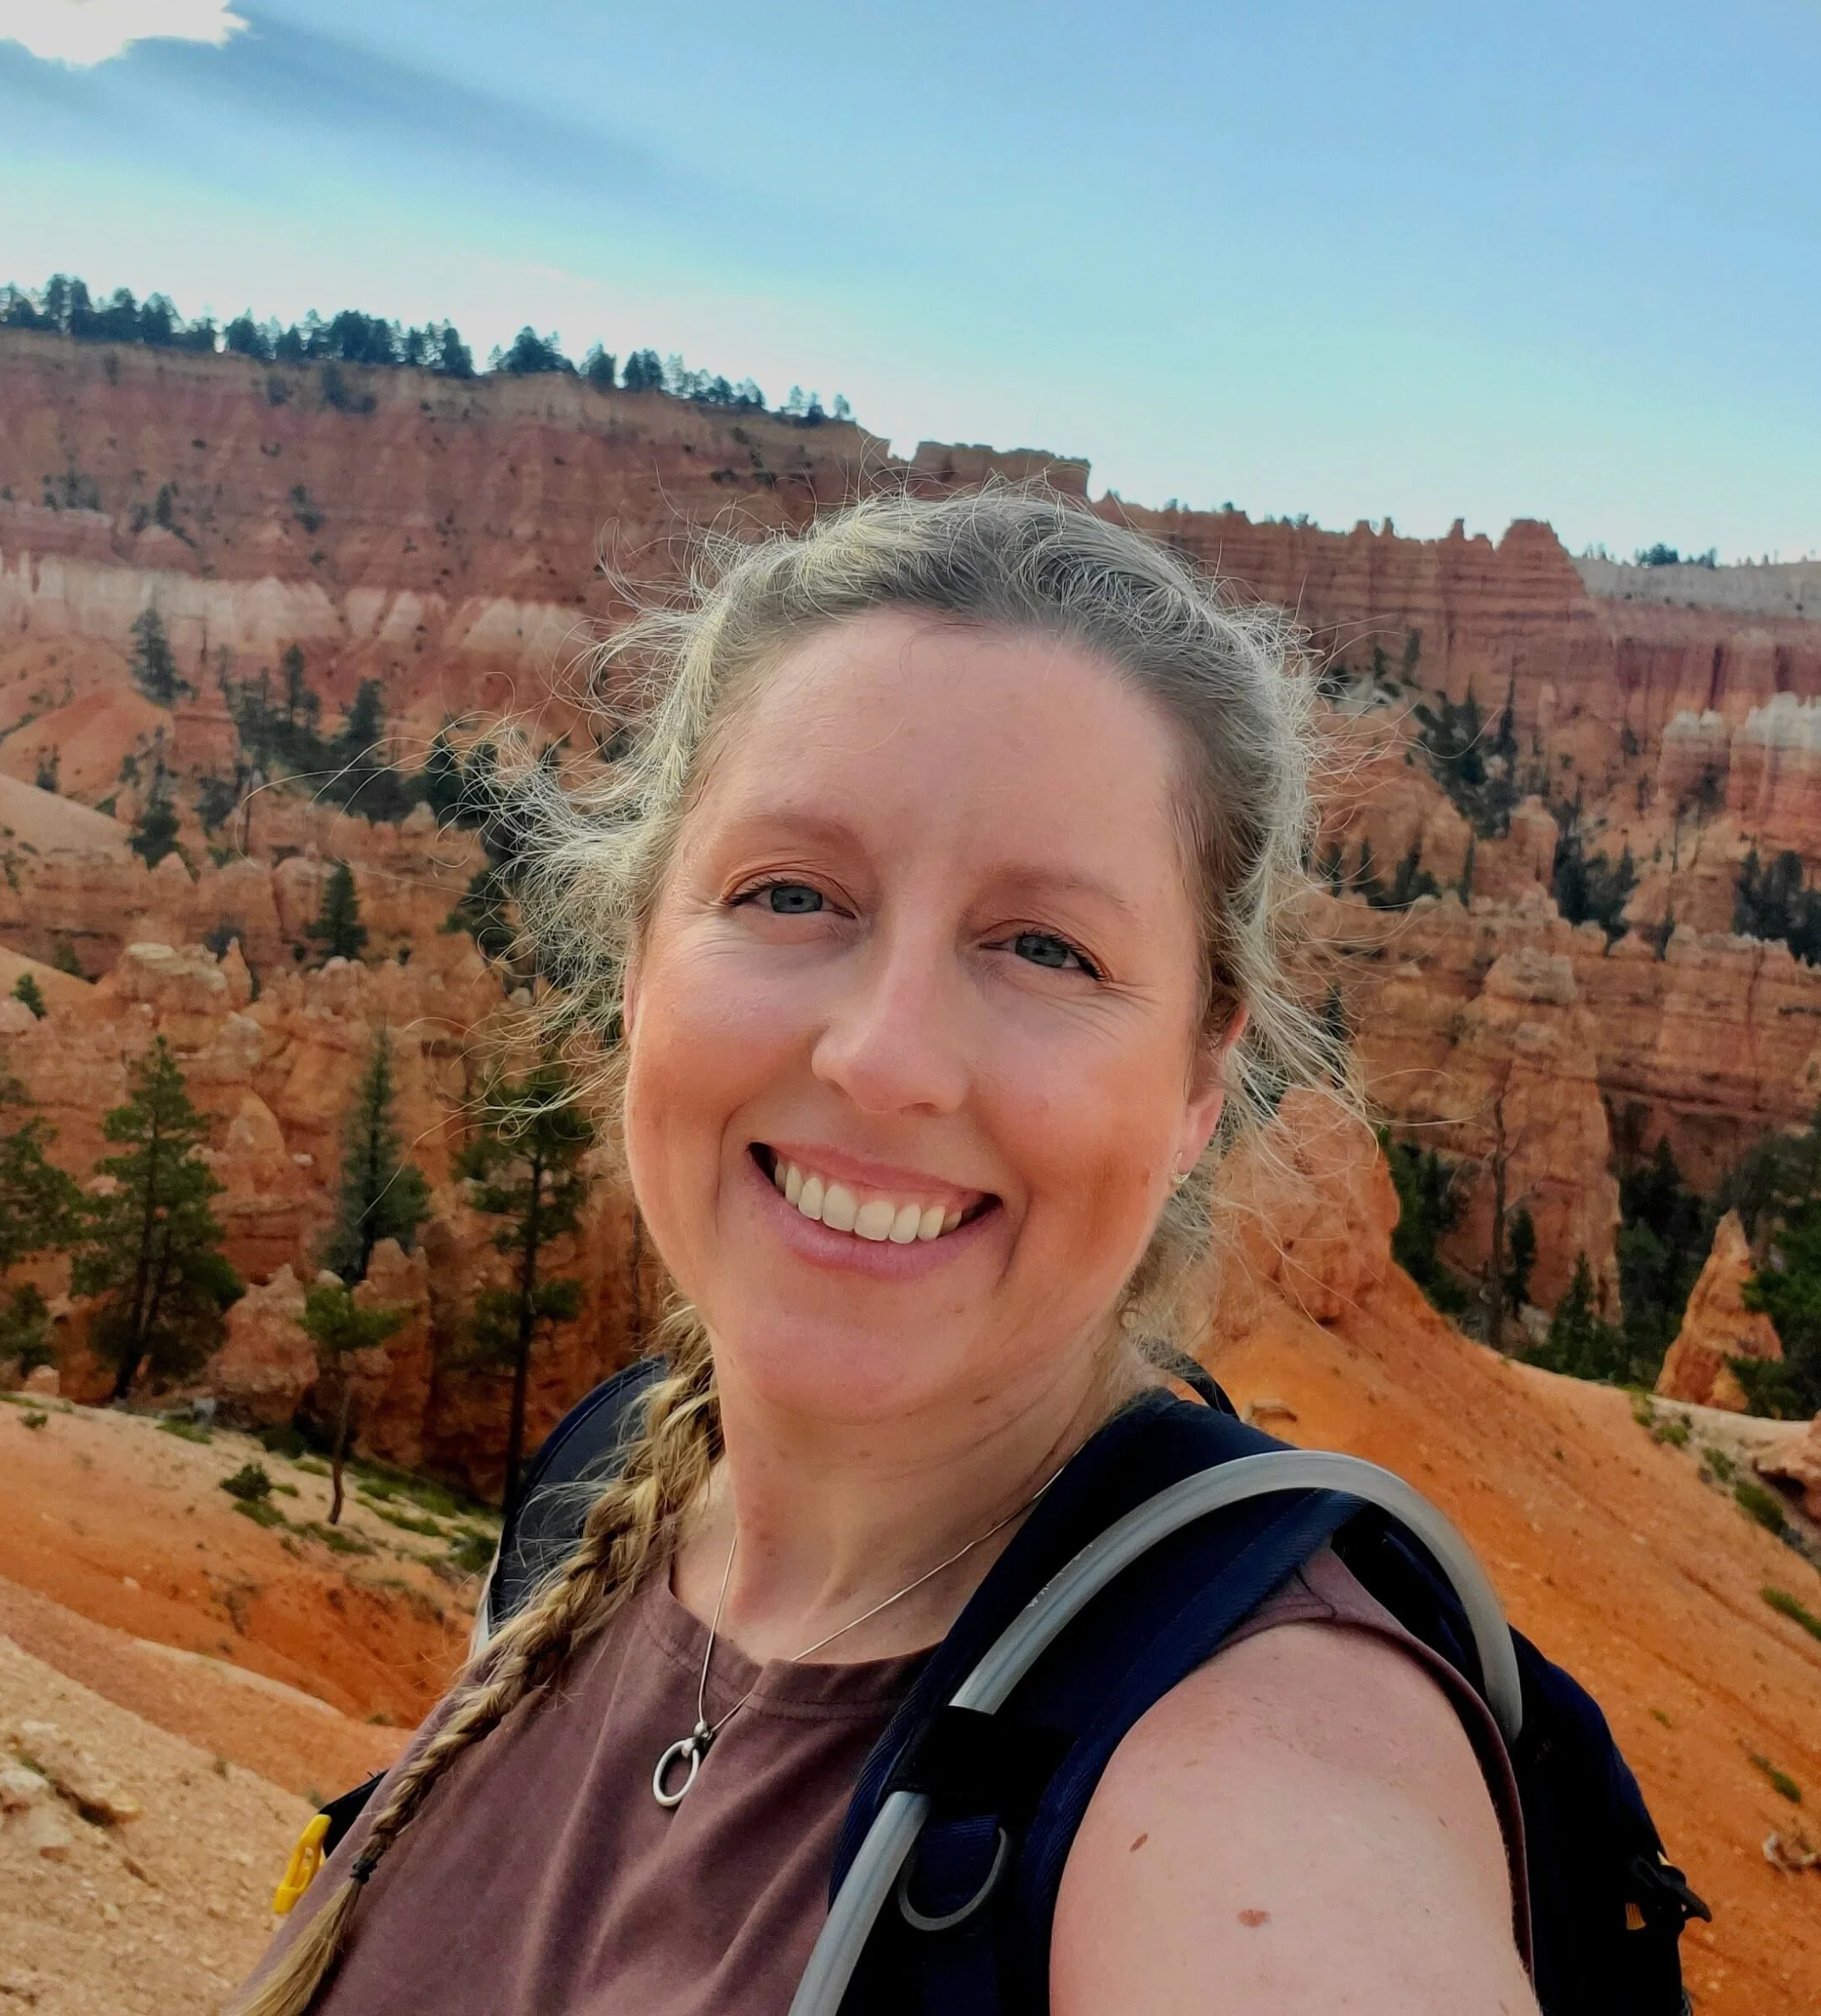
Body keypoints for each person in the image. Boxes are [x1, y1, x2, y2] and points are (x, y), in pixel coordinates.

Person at [233, 488, 1535, 2016]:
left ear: (1196, 1087)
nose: (885, 1055)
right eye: (792, 895)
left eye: (1045, 947)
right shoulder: (604, 1501)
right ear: (640, 955)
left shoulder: (1247, 1775)